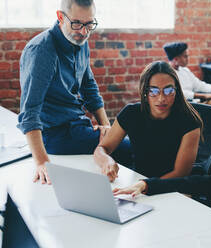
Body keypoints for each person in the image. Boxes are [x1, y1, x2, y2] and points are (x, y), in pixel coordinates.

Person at [17, 0, 132, 185]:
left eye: (89, 24)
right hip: (55, 135)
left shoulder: (79, 41)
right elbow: (29, 112)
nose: (84, 32)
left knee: (128, 139)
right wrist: (42, 162)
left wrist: (107, 129)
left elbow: (89, 88)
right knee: (132, 148)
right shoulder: (41, 50)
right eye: (77, 24)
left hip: (77, 125)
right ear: (60, 17)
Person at [94, 61, 203, 181]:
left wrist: (145, 187)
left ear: (176, 91)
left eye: (168, 90)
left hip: (174, 187)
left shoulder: (190, 121)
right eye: (154, 91)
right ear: (145, 91)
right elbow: (102, 148)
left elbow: (180, 173)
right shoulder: (131, 113)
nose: (161, 98)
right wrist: (107, 160)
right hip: (139, 181)